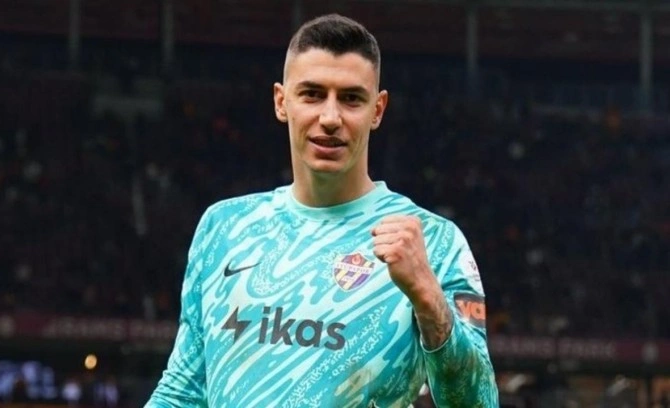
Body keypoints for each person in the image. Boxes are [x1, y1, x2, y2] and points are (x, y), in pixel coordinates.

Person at [146, 13, 498, 408]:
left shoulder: (434, 242)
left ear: (378, 110)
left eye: (351, 98)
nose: (330, 118)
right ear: (282, 101)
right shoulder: (224, 227)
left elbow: (479, 404)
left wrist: (430, 301)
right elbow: (183, 391)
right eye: (312, 94)